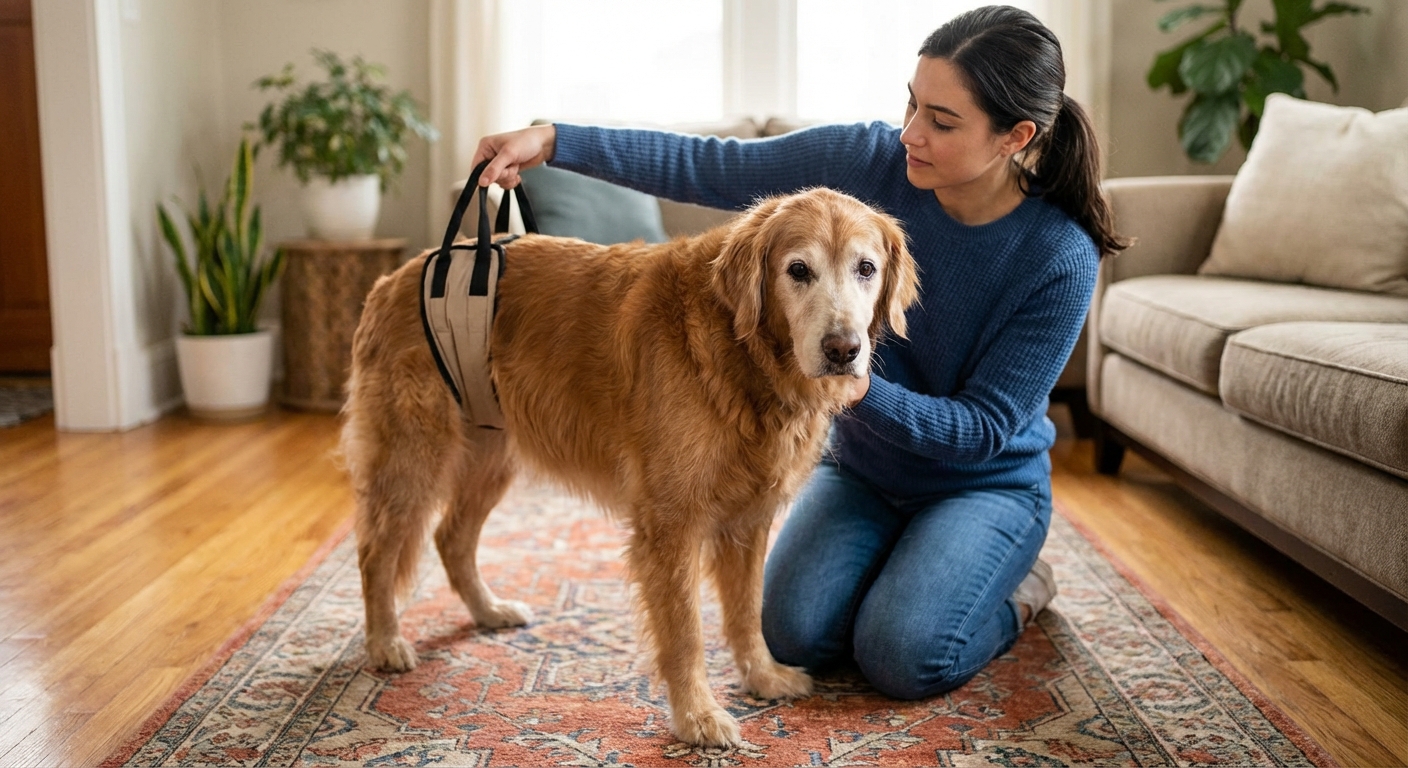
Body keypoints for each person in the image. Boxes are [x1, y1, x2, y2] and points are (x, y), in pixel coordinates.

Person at [471, 4, 1126, 700]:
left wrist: (855, 383)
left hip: (981, 484)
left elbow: (984, 429)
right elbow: (708, 164)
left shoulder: (1058, 256)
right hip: (866, 472)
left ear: (1014, 136)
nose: (912, 133)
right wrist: (553, 139)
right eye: (912, 105)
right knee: (792, 634)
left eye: (942, 120)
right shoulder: (873, 160)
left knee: (902, 655)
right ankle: (908, 568)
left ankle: (1017, 586)